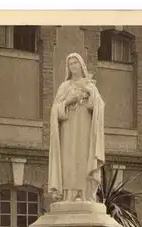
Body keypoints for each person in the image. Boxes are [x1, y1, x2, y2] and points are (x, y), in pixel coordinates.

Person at [48, 53, 105, 202]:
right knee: (69, 159)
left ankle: (85, 193)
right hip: (68, 129)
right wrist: (68, 101)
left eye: (75, 63)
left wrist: (91, 93)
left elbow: (98, 107)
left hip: (85, 128)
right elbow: (54, 110)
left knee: (84, 157)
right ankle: (70, 194)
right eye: (70, 64)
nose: (73, 66)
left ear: (81, 65)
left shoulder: (89, 85)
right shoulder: (64, 86)